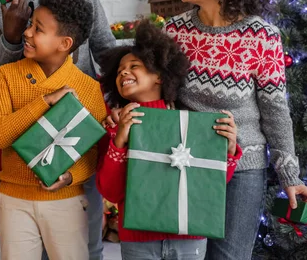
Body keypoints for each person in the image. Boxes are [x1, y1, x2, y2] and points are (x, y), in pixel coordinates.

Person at [164, 0, 307, 260]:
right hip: (183, 161)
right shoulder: (173, 31)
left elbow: (275, 112)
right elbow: (160, 95)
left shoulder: (261, 37)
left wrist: (289, 176)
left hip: (242, 168)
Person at [0, 0, 115, 260]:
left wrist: (115, 102)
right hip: (25, 137)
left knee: (84, 247)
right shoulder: (1, 7)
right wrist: (11, 37)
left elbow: (105, 50)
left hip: (79, 127)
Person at [96, 20, 242, 260]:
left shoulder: (191, 124)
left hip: (189, 236)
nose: (124, 72)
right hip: (138, 240)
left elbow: (210, 185)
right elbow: (111, 192)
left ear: (160, 76)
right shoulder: (115, 130)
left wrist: (228, 149)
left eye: (135, 65)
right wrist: (120, 141)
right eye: (120, 70)